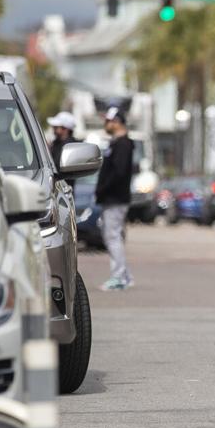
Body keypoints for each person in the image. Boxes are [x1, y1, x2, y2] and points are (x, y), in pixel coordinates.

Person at [95, 106, 134, 291]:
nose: (106, 124)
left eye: (108, 121)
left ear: (117, 122)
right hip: (111, 198)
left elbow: (119, 173)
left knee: (112, 236)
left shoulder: (123, 145)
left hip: (116, 198)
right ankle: (125, 275)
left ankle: (118, 277)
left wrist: (103, 189)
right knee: (111, 235)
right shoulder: (116, 143)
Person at [46, 111, 79, 185]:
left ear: (65, 129)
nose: (53, 128)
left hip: (63, 187)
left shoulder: (70, 147)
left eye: (56, 127)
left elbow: (57, 167)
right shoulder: (56, 143)